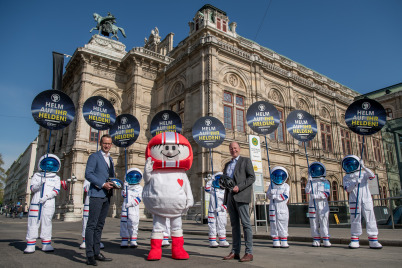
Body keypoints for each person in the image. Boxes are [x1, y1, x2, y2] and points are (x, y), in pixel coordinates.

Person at [143, 132, 194, 261]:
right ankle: (155, 249)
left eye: (173, 149)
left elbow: (186, 186)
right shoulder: (155, 170)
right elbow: (147, 181)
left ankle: (178, 249)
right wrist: (147, 172)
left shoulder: (181, 172)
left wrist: (189, 198)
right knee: (158, 227)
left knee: (176, 227)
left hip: (175, 206)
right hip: (160, 205)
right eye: (166, 148)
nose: (170, 152)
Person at [84, 134, 116, 265]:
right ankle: (89, 255)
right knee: (92, 224)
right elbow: (88, 174)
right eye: (104, 143)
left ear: (111, 144)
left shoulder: (110, 159)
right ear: (100, 143)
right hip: (97, 194)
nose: (107, 145)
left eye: (109, 143)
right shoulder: (94, 157)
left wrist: (115, 184)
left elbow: (110, 176)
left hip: (106, 195)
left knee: (100, 225)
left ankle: (96, 252)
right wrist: (102, 184)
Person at [222, 142, 255, 262]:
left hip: (241, 195)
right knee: (234, 225)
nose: (233, 150)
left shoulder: (246, 161)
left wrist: (239, 187)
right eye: (231, 148)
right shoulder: (227, 164)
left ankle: (249, 252)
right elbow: (226, 180)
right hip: (230, 196)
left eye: (235, 148)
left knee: (246, 224)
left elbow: (252, 177)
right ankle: (235, 251)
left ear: (239, 149)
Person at [342, 155, 382, 249]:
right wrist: (355, 183)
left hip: (366, 199)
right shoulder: (346, 177)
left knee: (370, 218)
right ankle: (355, 239)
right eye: (348, 165)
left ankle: (373, 240)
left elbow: (372, 176)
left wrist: (364, 167)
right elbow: (347, 189)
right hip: (354, 200)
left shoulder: (363, 173)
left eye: (352, 164)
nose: (350, 166)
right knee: (355, 219)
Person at [24, 154, 61, 254]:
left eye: (51, 164)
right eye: (47, 164)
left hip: (48, 202)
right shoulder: (37, 175)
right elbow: (32, 188)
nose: (49, 166)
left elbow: (56, 190)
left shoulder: (56, 178)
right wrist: (39, 184)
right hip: (36, 201)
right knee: (33, 222)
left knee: (47, 222)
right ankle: (30, 243)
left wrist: (47, 196)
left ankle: (46, 243)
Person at [305, 162, 331, 247]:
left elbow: (326, 194)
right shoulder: (311, 182)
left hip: (323, 205)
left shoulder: (325, 182)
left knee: (324, 222)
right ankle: (316, 238)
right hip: (312, 205)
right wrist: (308, 182)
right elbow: (307, 191)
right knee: (313, 222)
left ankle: (325, 238)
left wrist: (316, 196)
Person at [266, 166, 290, 248]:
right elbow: (268, 195)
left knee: (283, 223)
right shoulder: (271, 185)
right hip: (273, 207)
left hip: (282, 207)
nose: (278, 178)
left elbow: (285, 196)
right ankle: (275, 240)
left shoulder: (286, 186)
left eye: (280, 176)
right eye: (277, 176)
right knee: (273, 224)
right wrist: (270, 193)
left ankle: (284, 240)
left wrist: (275, 195)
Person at [205, 172, 230, 248]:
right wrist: (212, 178)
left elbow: (227, 201)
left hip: (221, 211)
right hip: (212, 210)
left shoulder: (226, 191)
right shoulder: (213, 189)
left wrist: (222, 208)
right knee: (212, 225)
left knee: (222, 225)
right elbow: (206, 188)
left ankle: (222, 240)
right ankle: (212, 241)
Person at [120, 168, 143, 248]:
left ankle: (133, 240)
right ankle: (124, 240)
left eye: (135, 177)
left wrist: (131, 204)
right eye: (131, 177)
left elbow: (139, 198)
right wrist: (125, 189)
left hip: (133, 209)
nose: (133, 179)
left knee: (133, 223)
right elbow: (123, 195)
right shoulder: (126, 187)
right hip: (125, 208)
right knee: (124, 224)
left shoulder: (139, 188)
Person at [79, 180, 104, 250]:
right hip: (90, 201)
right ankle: (85, 241)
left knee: (98, 222)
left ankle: (96, 241)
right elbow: (86, 188)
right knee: (87, 222)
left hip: (100, 199)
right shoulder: (89, 179)